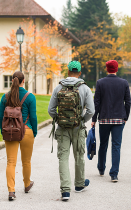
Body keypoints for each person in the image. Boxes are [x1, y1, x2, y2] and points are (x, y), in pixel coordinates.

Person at [48, 61, 95, 201]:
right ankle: (79, 184)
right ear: (79, 72)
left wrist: (59, 119)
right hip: (78, 127)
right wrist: (82, 120)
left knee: (63, 158)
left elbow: (51, 110)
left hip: (62, 128)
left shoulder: (58, 88)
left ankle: (65, 191)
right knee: (79, 155)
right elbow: (91, 111)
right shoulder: (85, 89)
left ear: (68, 72)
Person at [0, 71, 37, 201]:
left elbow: (0, 117)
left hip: (10, 132)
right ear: (23, 81)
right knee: (26, 161)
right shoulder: (30, 97)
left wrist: (3, 130)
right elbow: (34, 117)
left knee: (10, 162)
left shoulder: (5, 97)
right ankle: (27, 184)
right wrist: (34, 132)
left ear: (13, 81)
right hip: (27, 131)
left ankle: (11, 191)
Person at [91, 60, 131, 182]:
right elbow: (128, 102)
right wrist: (125, 117)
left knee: (103, 144)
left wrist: (94, 119)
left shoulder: (100, 83)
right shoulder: (124, 83)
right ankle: (114, 174)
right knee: (116, 146)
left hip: (104, 118)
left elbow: (96, 103)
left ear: (107, 69)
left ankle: (101, 168)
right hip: (119, 119)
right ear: (117, 69)